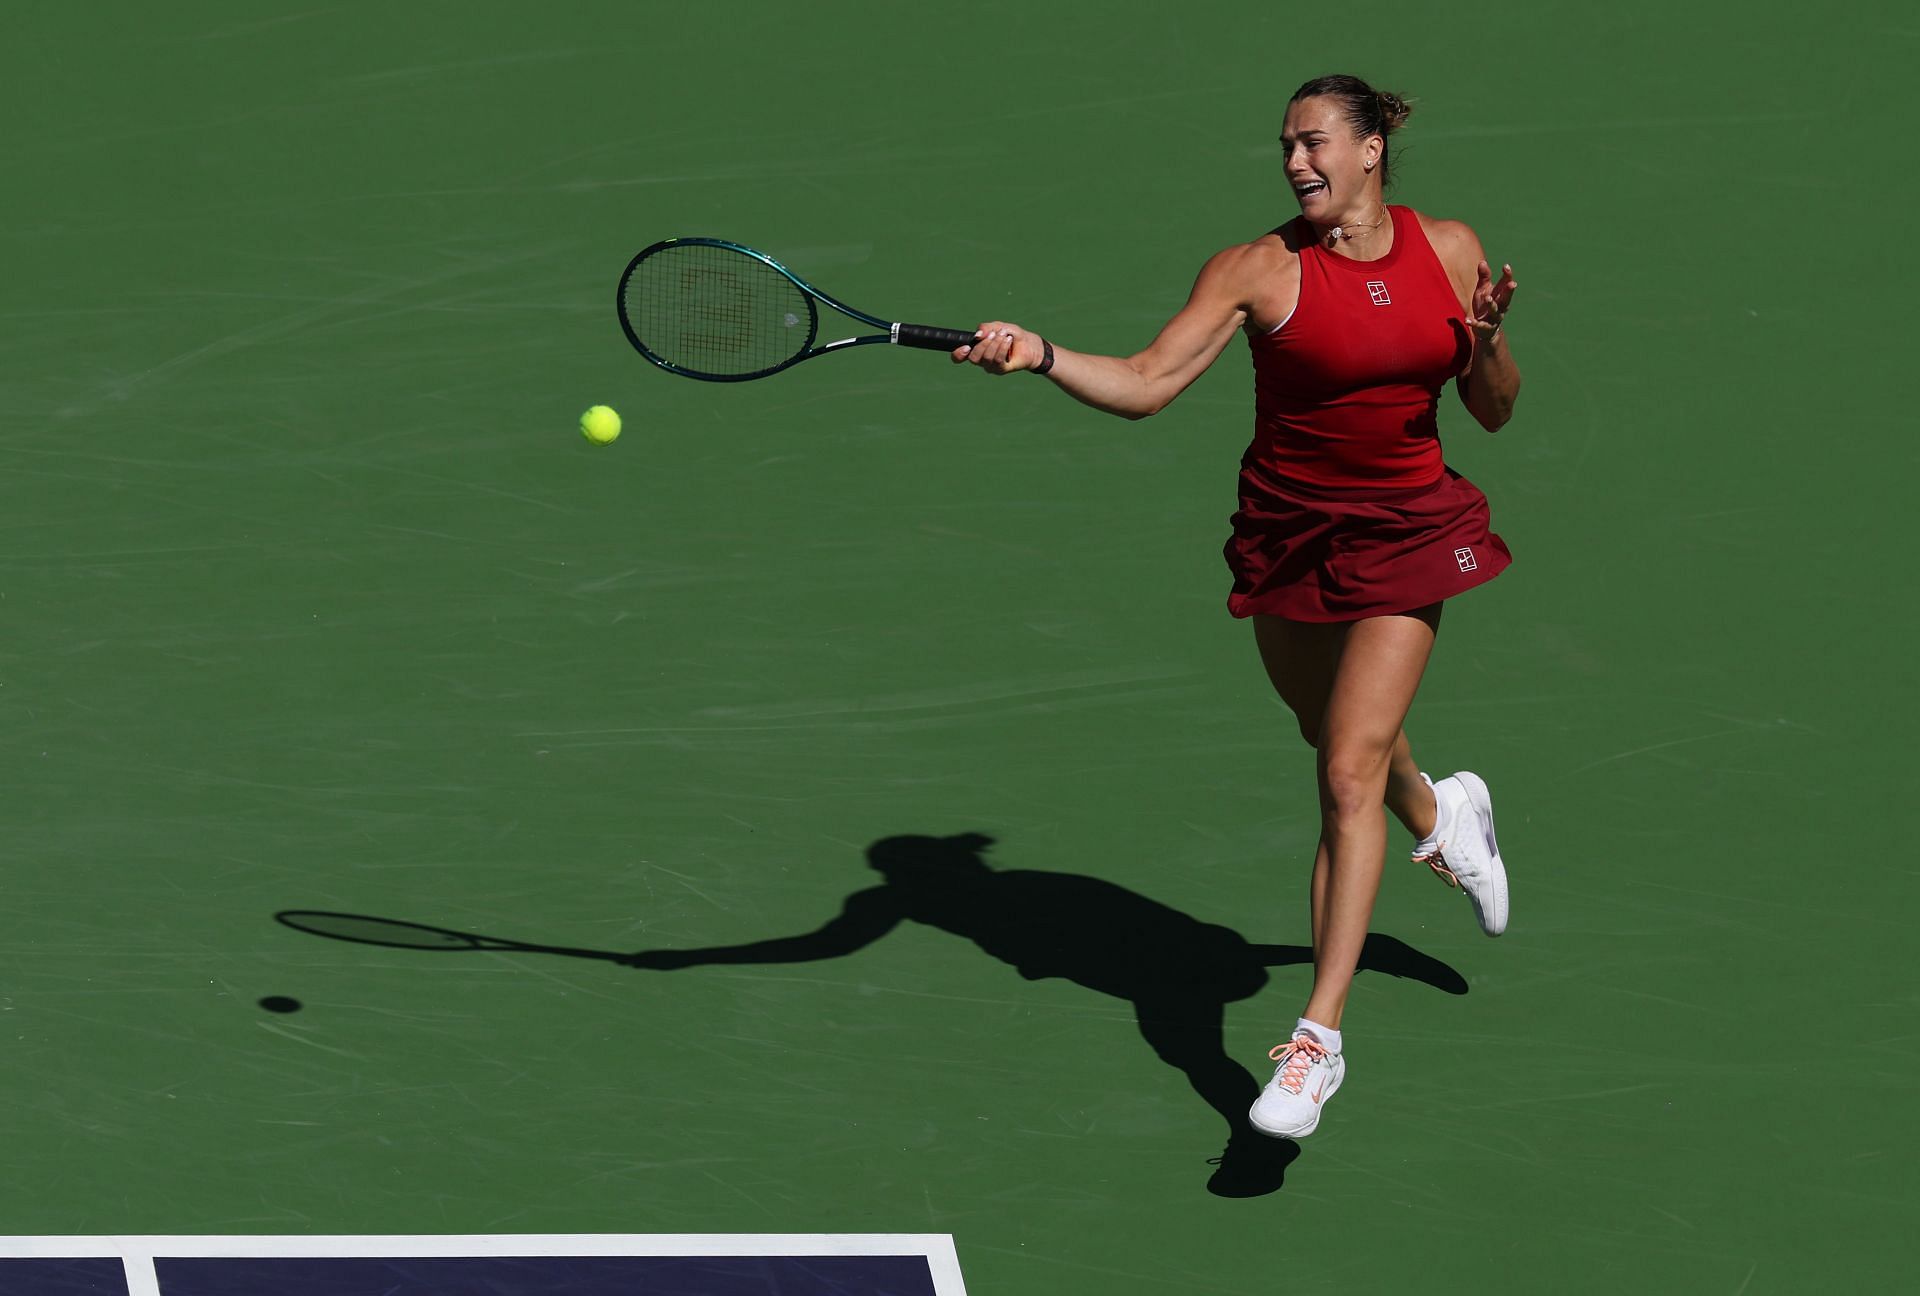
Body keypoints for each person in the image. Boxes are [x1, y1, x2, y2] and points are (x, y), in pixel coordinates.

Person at [951, 74, 1519, 1140]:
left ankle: (1318, 1041)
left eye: (1314, 145)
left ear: (1370, 152)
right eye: (1286, 148)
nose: (1296, 163)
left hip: (1407, 534)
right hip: (1289, 538)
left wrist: (1485, 343)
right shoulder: (1257, 270)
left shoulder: (1449, 250)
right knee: (1341, 738)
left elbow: (1492, 410)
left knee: (1345, 768)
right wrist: (1039, 354)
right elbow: (1147, 379)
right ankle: (1444, 819)